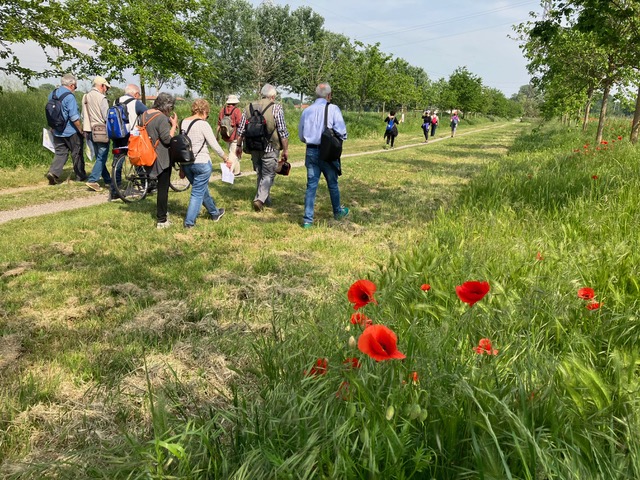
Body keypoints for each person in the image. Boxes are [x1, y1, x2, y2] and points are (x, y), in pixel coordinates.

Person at [298, 82, 349, 228]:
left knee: (311, 185)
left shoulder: (306, 111)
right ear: (329, 95)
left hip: (311, 151)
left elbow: (301, 136)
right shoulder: (333, 109)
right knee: (332, 184)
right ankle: (337, 211)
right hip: (328, 152)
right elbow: (342, 132)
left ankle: (308, 220)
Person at [235, 84, 289, 212]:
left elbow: (241, 130)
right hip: (270, 146)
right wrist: (285, 149)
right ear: (273, 96)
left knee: (260, 173)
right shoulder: (276, 108)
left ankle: (266, 199)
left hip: (253, 147)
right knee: (269, 174)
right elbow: (282, 131)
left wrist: (238, 146)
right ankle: (259, 200)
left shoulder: (248, 107)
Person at [181, 99, 231, 228]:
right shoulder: (203, 124)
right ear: (203, 111)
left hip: (187, 163)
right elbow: (214, 144)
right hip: (202, 162)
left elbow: (182, 145)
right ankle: (189, 223)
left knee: (202, 190)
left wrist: (181, 166)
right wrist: (225, 157)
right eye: (207, 114)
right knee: (197, 193)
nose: (206, 117)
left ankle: (214, 213)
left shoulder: (183, 123)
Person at [138, 93, 178, 229]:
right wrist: (173, 126)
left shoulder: (144, 115)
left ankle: (163, 211)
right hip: (161, 157)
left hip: (145, 154)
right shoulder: (161, 118)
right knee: (163, 189)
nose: (170, 111)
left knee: (157, 185)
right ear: (167, 106)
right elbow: (167, 140)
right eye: (170, 108)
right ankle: (162, 219)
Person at [45, 73, 87, 185]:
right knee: (76, 152)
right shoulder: (69, 97)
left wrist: (52, 126)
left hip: (56, 130)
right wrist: (81, 130)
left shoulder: (52, 94)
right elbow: (74, 117)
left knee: (60, 153)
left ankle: (53, 173)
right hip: (70, 130)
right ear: (72, 85)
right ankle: (80, 176)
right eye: (76, 86)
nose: (75, 89)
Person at [111, 84, 148, 200]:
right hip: (130, 135)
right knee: (136, 158)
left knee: (117, 162)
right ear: (136, 94)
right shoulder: (135, 103)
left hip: (116, 134)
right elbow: (149, 114)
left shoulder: (116, 101)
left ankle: (114, 190)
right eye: (139, 95)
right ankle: (145, 183)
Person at [83, 76, 112, 193]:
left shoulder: (85, 96)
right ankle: (92, 180)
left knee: (100, 156)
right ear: (102, 86)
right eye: (106, 87)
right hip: (101, 131)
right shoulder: (102, 98)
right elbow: (107, 116)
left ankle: (108, 180)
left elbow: (83, 114)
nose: (106, 90)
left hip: (89, 130)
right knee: (102, 156)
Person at [216, 94, 243, 176]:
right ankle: (227, 173)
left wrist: (216, 135)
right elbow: (240, 124)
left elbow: (219, 124)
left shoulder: (222, 110)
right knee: (234, 154)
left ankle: (237, 172)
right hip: (235, 136)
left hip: (225, 135)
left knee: (233, 153)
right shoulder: (237, 111)